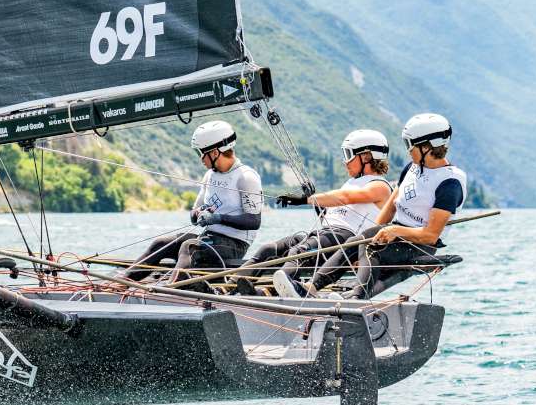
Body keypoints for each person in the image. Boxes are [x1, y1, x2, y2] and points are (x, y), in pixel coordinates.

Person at [277, 113, 466, 300]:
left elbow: (430, 235)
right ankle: (311, 288)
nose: (408, 150)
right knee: (356, 242)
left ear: (427, 146)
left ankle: (356, 297)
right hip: (397, 234)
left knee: (369, 248)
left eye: (410, 144)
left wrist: (394, 231)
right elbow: (391, 207)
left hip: (419, 244)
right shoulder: (411, 168)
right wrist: (373, 234)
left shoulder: (450, 183)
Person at [231, 129, 393, 296]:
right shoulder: (353, 182)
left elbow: (345, 198)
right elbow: (339, 209)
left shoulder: (380, 186)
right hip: (327, 234)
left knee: (298, 253)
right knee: (269, 249)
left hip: (344, 239)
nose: (345, 161)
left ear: (366, 157)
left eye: (348, 154)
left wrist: (305, 200)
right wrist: (321, 208)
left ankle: (274, 292)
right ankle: (229, 287)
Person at [124, 120, 262, 289]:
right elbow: (194, 213)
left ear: (215, 152)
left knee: (189, 247)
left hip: (235, 244)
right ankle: (122, 282)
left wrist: (218, 218)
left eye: (201, 153)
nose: (200, 159)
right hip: (209, 238)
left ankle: (170, 290)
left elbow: (254, 221)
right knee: (161, 243)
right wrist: (197, 214)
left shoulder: (246, 177)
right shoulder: (209, 175)